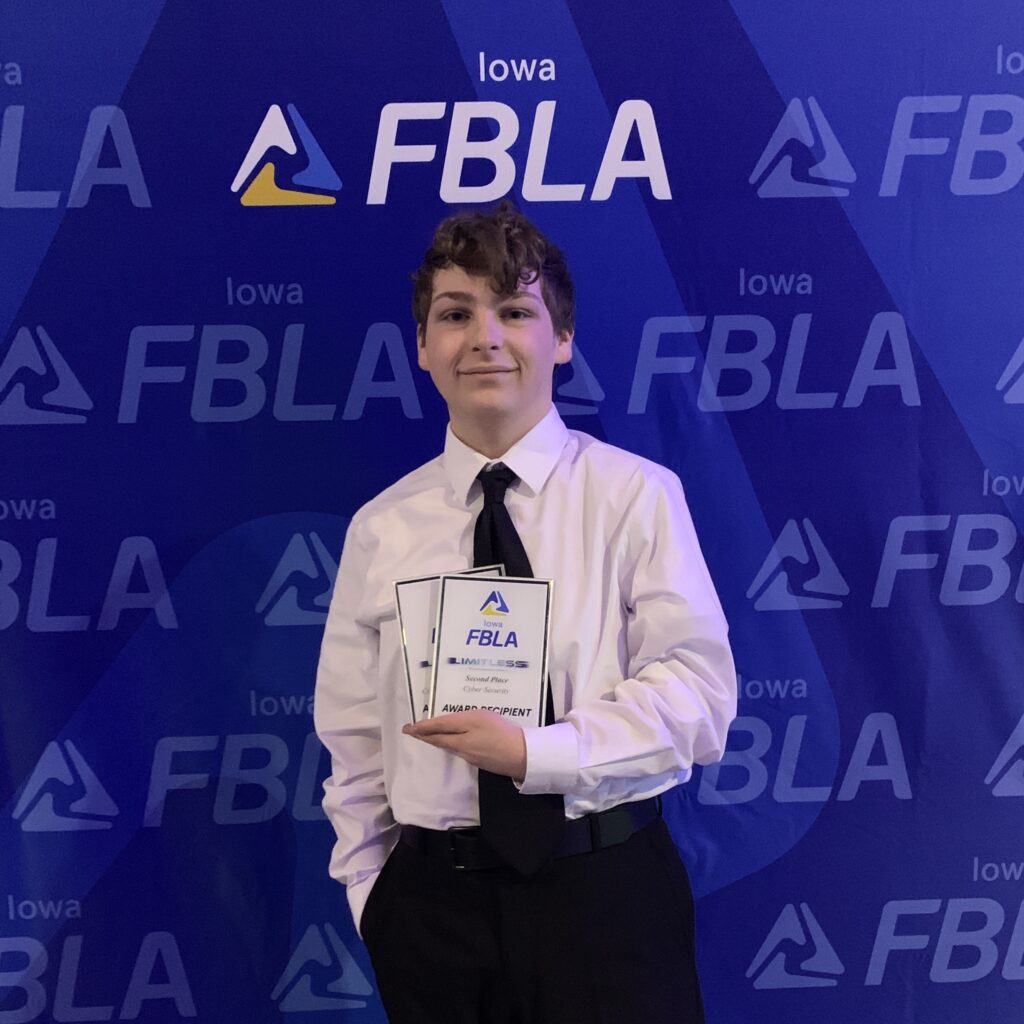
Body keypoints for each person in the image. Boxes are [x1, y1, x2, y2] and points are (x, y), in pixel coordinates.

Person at [314, 202, 736, 1023]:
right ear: (423, 345)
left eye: (514, 311)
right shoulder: (382, 527)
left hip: (605, 896)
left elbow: (699, 696)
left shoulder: (635, 497)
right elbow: (354, 737)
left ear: (561, 338)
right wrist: (375, 896)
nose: (485, 338)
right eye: (455, 314)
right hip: (433, 915)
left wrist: (536, 753)